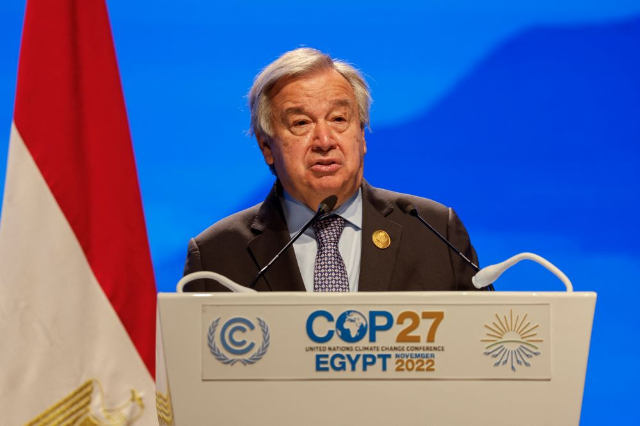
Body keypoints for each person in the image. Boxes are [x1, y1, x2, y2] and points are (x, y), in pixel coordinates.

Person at [183, 48, 479, 292]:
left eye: (339, 119)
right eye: (301, 123)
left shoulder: (436, 232)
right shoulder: (216, 255)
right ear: (266, 147)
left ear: (361, 136)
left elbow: (484, 346)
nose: (324, 141)